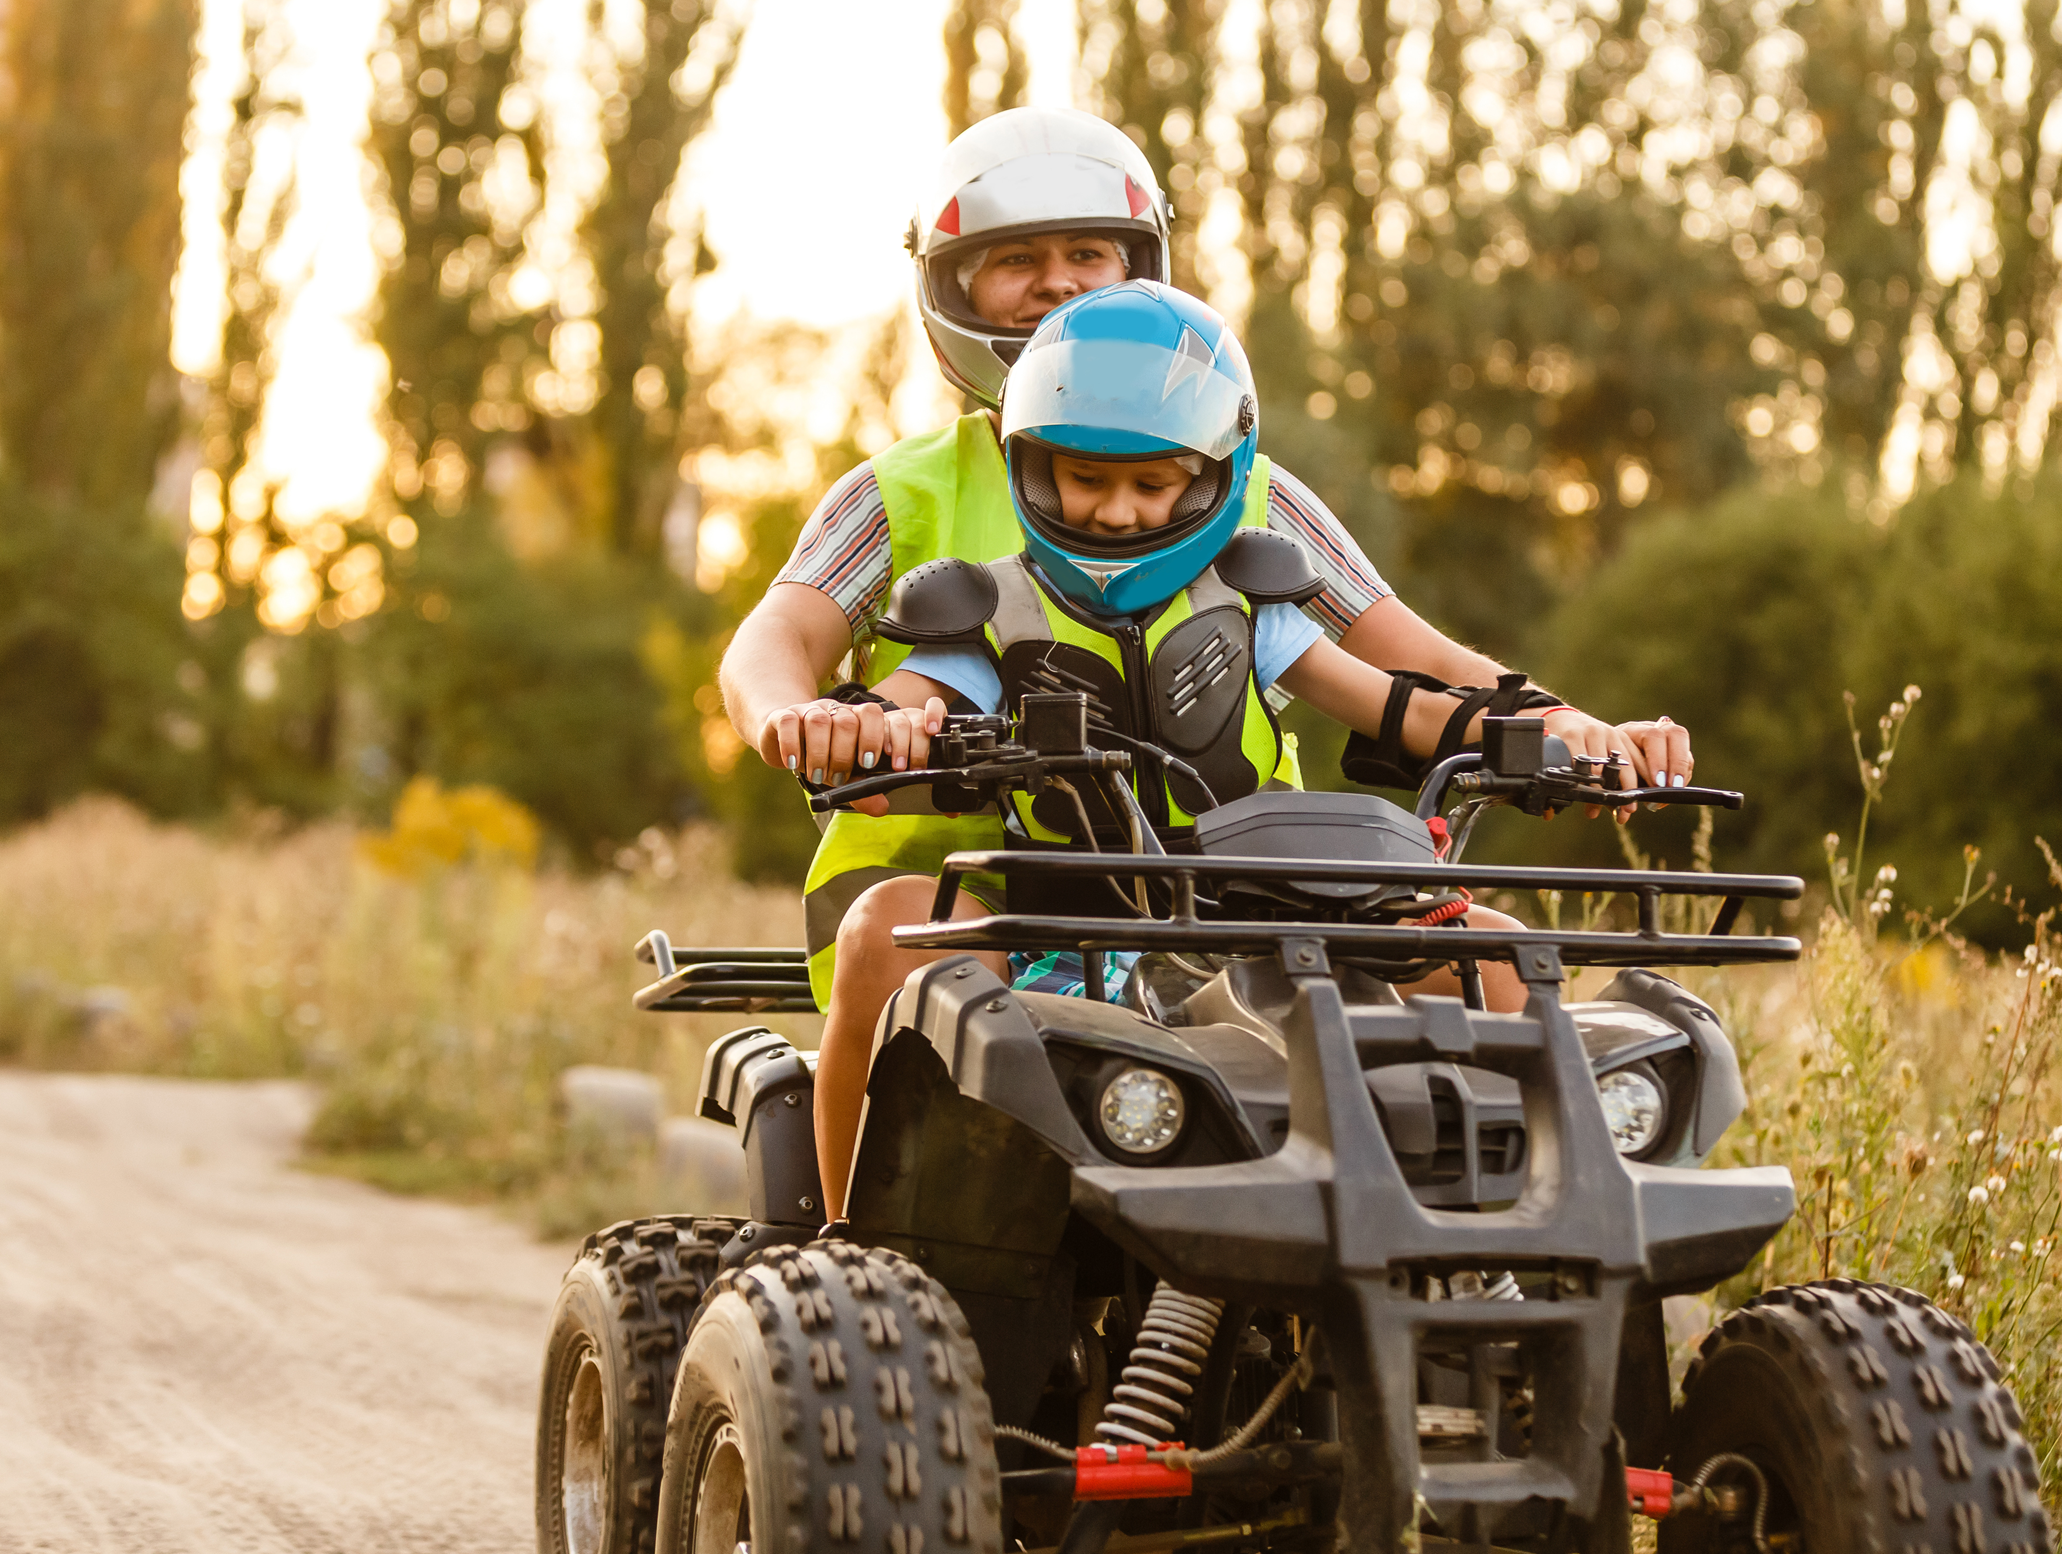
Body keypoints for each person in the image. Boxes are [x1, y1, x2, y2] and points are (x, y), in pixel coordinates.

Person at [717, 107, 1693, 1006]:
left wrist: (1573, 730)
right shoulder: (900, 487)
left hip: (1251, 887)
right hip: (970, 900)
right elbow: (774, 640)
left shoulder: (1240, 480)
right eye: (1015, 258)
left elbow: (1410, 661)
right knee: (897, 935)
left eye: (1087, 252)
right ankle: (862, 1206)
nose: (1056, 280)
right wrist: (803, 722)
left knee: (1502, 963)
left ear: (1140, 271)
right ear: (950, 283)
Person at [784, 283, 1599, 1224]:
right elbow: (899, 714)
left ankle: (1512, 1250)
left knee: (1497, 951)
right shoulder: (982, 612)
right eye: (1086, 480)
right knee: (885, 925)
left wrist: (1555, 742)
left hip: (1264, 916)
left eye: (1152, 482)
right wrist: (851, 731)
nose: (1119, 514)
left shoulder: (1255, 604)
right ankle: (854, 1247)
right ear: (1031, 468)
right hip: (1060, 924)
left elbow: (1401, 707)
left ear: (1216, 475)